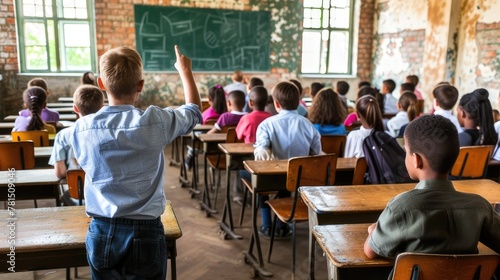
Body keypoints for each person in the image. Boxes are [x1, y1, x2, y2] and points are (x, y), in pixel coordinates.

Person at [69, 45, 202, 279]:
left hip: (102, 228)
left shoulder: (80, 128)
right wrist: (184, 71)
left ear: (100, 84)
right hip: (146, 231)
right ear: (140, 85)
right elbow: (193, 112)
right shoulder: (155, 121)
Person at [364, 115, 500, 279]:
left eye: (406, 151)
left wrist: (374, 230)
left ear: (416, 160)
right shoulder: (480, 206)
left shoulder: (400, 207)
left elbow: (370, 251)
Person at [253, 81, 322, 237]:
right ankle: (282, 226)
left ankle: (267, 225)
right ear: (298, 102)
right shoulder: (308, 125)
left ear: (276, 104)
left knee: (258, 183)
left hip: (274, 177)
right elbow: (317, 154)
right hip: (302, 180)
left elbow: (261, 152)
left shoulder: (266, 125)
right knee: (287, 184)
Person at [49, 85, 104, 205]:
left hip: (78, 197)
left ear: (75, 108)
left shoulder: (63, 135)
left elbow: (60, 173)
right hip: (104, 198)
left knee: (64, 193)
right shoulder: (109, 132)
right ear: (102, 108)